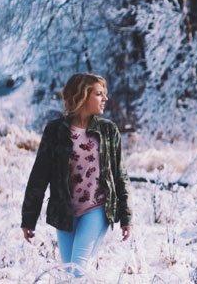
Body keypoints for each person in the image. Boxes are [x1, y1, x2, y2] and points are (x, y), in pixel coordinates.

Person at [21, 73, 132, 278]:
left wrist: (126, 216)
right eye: (99, 94)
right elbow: (39, 175)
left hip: (96, 208)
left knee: (76, 270)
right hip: (64, 212)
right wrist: (29, 218)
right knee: (68, 271)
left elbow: (119, 175)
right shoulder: (55, 131)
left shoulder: (108, 131)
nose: (105, 99)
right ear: (82, 96)